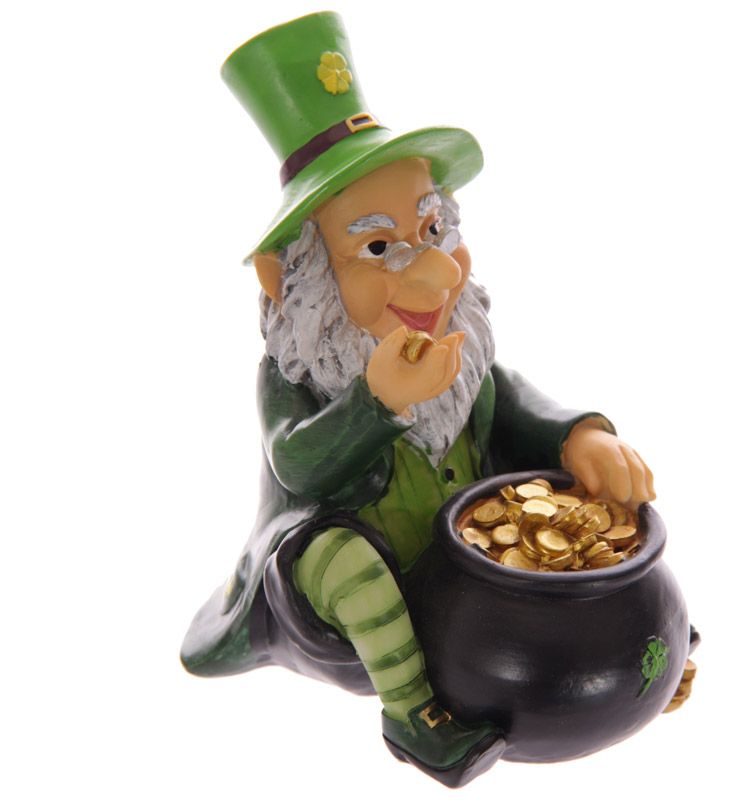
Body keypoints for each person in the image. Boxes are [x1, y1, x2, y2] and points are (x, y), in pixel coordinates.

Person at [180, 12, 655, 788]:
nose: (435, 274)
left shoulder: (458, 351)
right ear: (288, 279)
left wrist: (579, 436)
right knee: (344, 562)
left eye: (433, 229)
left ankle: (637, 646)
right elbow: (300, 466)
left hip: (469, 559)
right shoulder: (294, 373)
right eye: (378, 247)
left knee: (576, 512)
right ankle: (412, 713)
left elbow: (506, 397)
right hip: (346, 561)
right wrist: (375, 402)